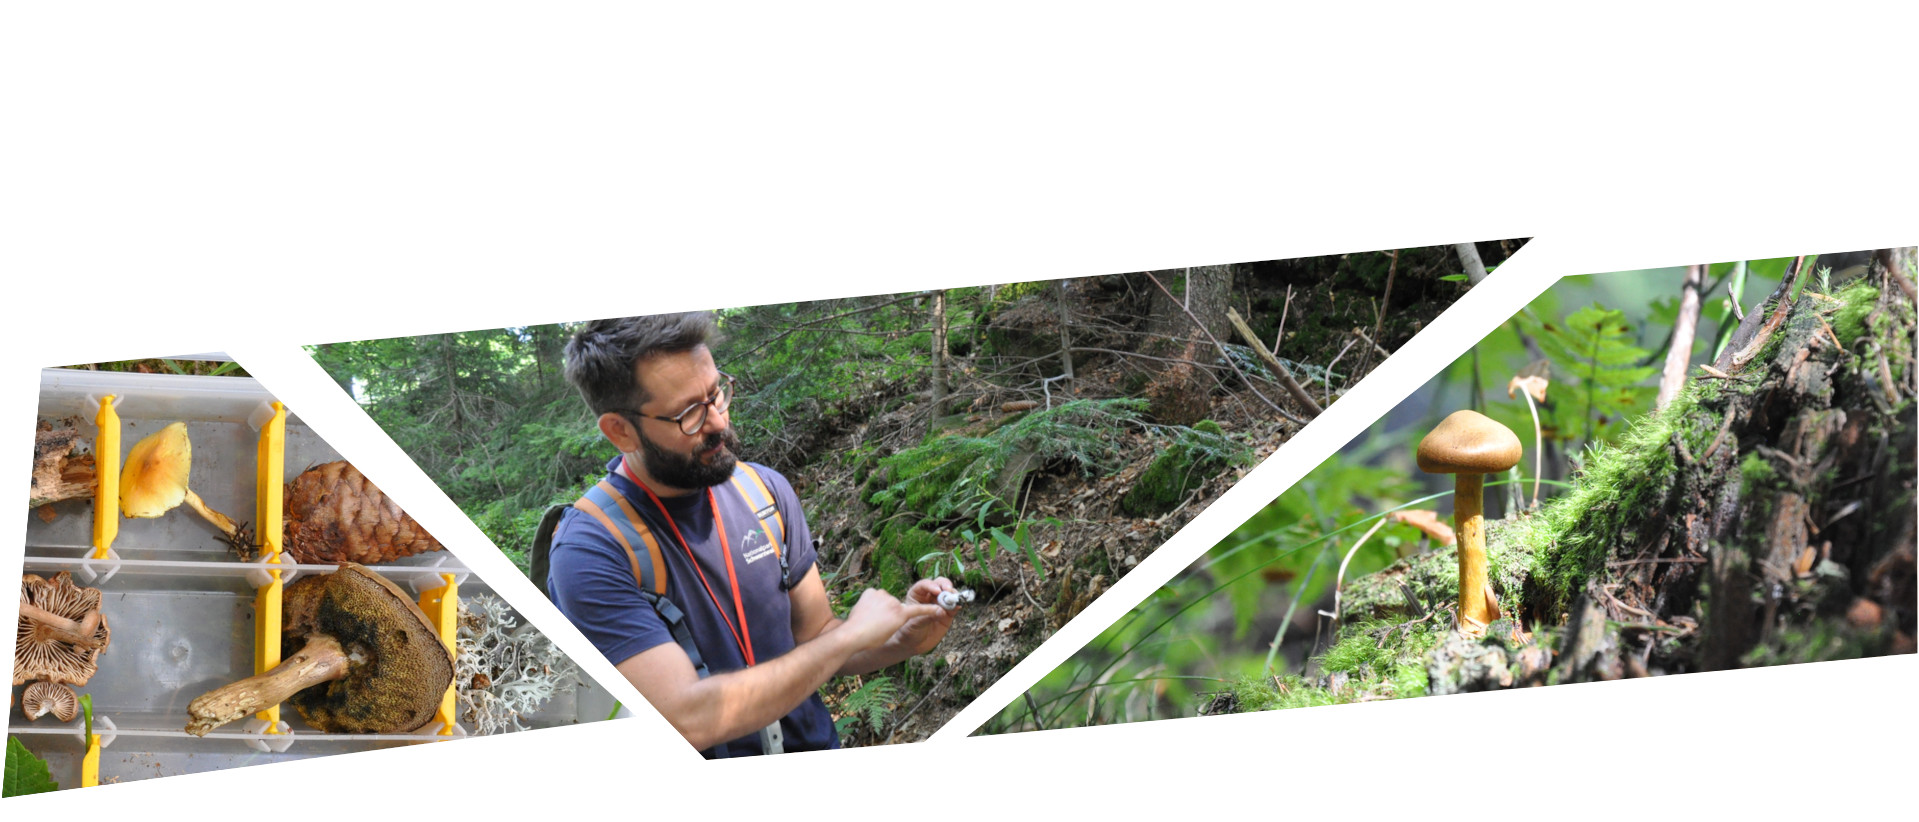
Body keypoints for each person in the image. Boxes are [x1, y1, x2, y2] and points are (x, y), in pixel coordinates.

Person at [547, 311, 956, 756]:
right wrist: (851, 635)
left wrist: (898, 639)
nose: (718, 422)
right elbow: (685, 720)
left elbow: (817, 635)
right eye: (688, 413)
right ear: (621, 431)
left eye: (716, 394)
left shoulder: (762, 490)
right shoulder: (592, 550)